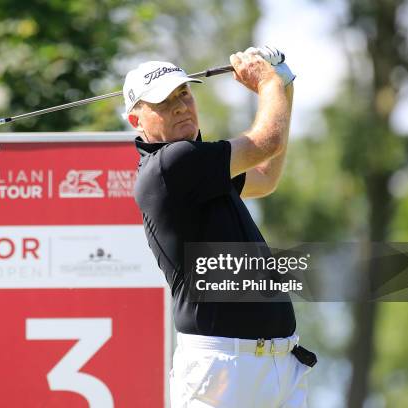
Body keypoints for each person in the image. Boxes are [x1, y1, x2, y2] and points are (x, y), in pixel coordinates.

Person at [124, 47, 315, 407]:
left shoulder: (200, 168)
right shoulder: (171, 165)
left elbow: (265, 176)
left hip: (280, 361)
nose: (180, 106)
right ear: (137, 121)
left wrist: (284, 86)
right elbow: (266, 142)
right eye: (163, 102)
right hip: (223, 370)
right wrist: (266, 82)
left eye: (184, 93)